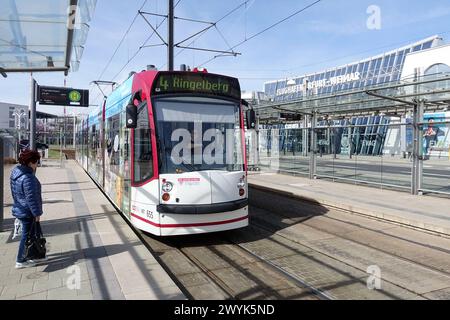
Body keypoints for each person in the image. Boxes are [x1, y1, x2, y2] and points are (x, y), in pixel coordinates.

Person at [10, 149, 44, 269]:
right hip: (27, 211)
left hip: (20, 208)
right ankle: (20, 260)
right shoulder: (28, 177)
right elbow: (31, 198)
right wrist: (37, 213)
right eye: (36, 162)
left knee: (28, 235)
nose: (37, 165)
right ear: (30, 163)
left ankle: (28, 256)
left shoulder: (16, 172)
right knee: (26, 236)